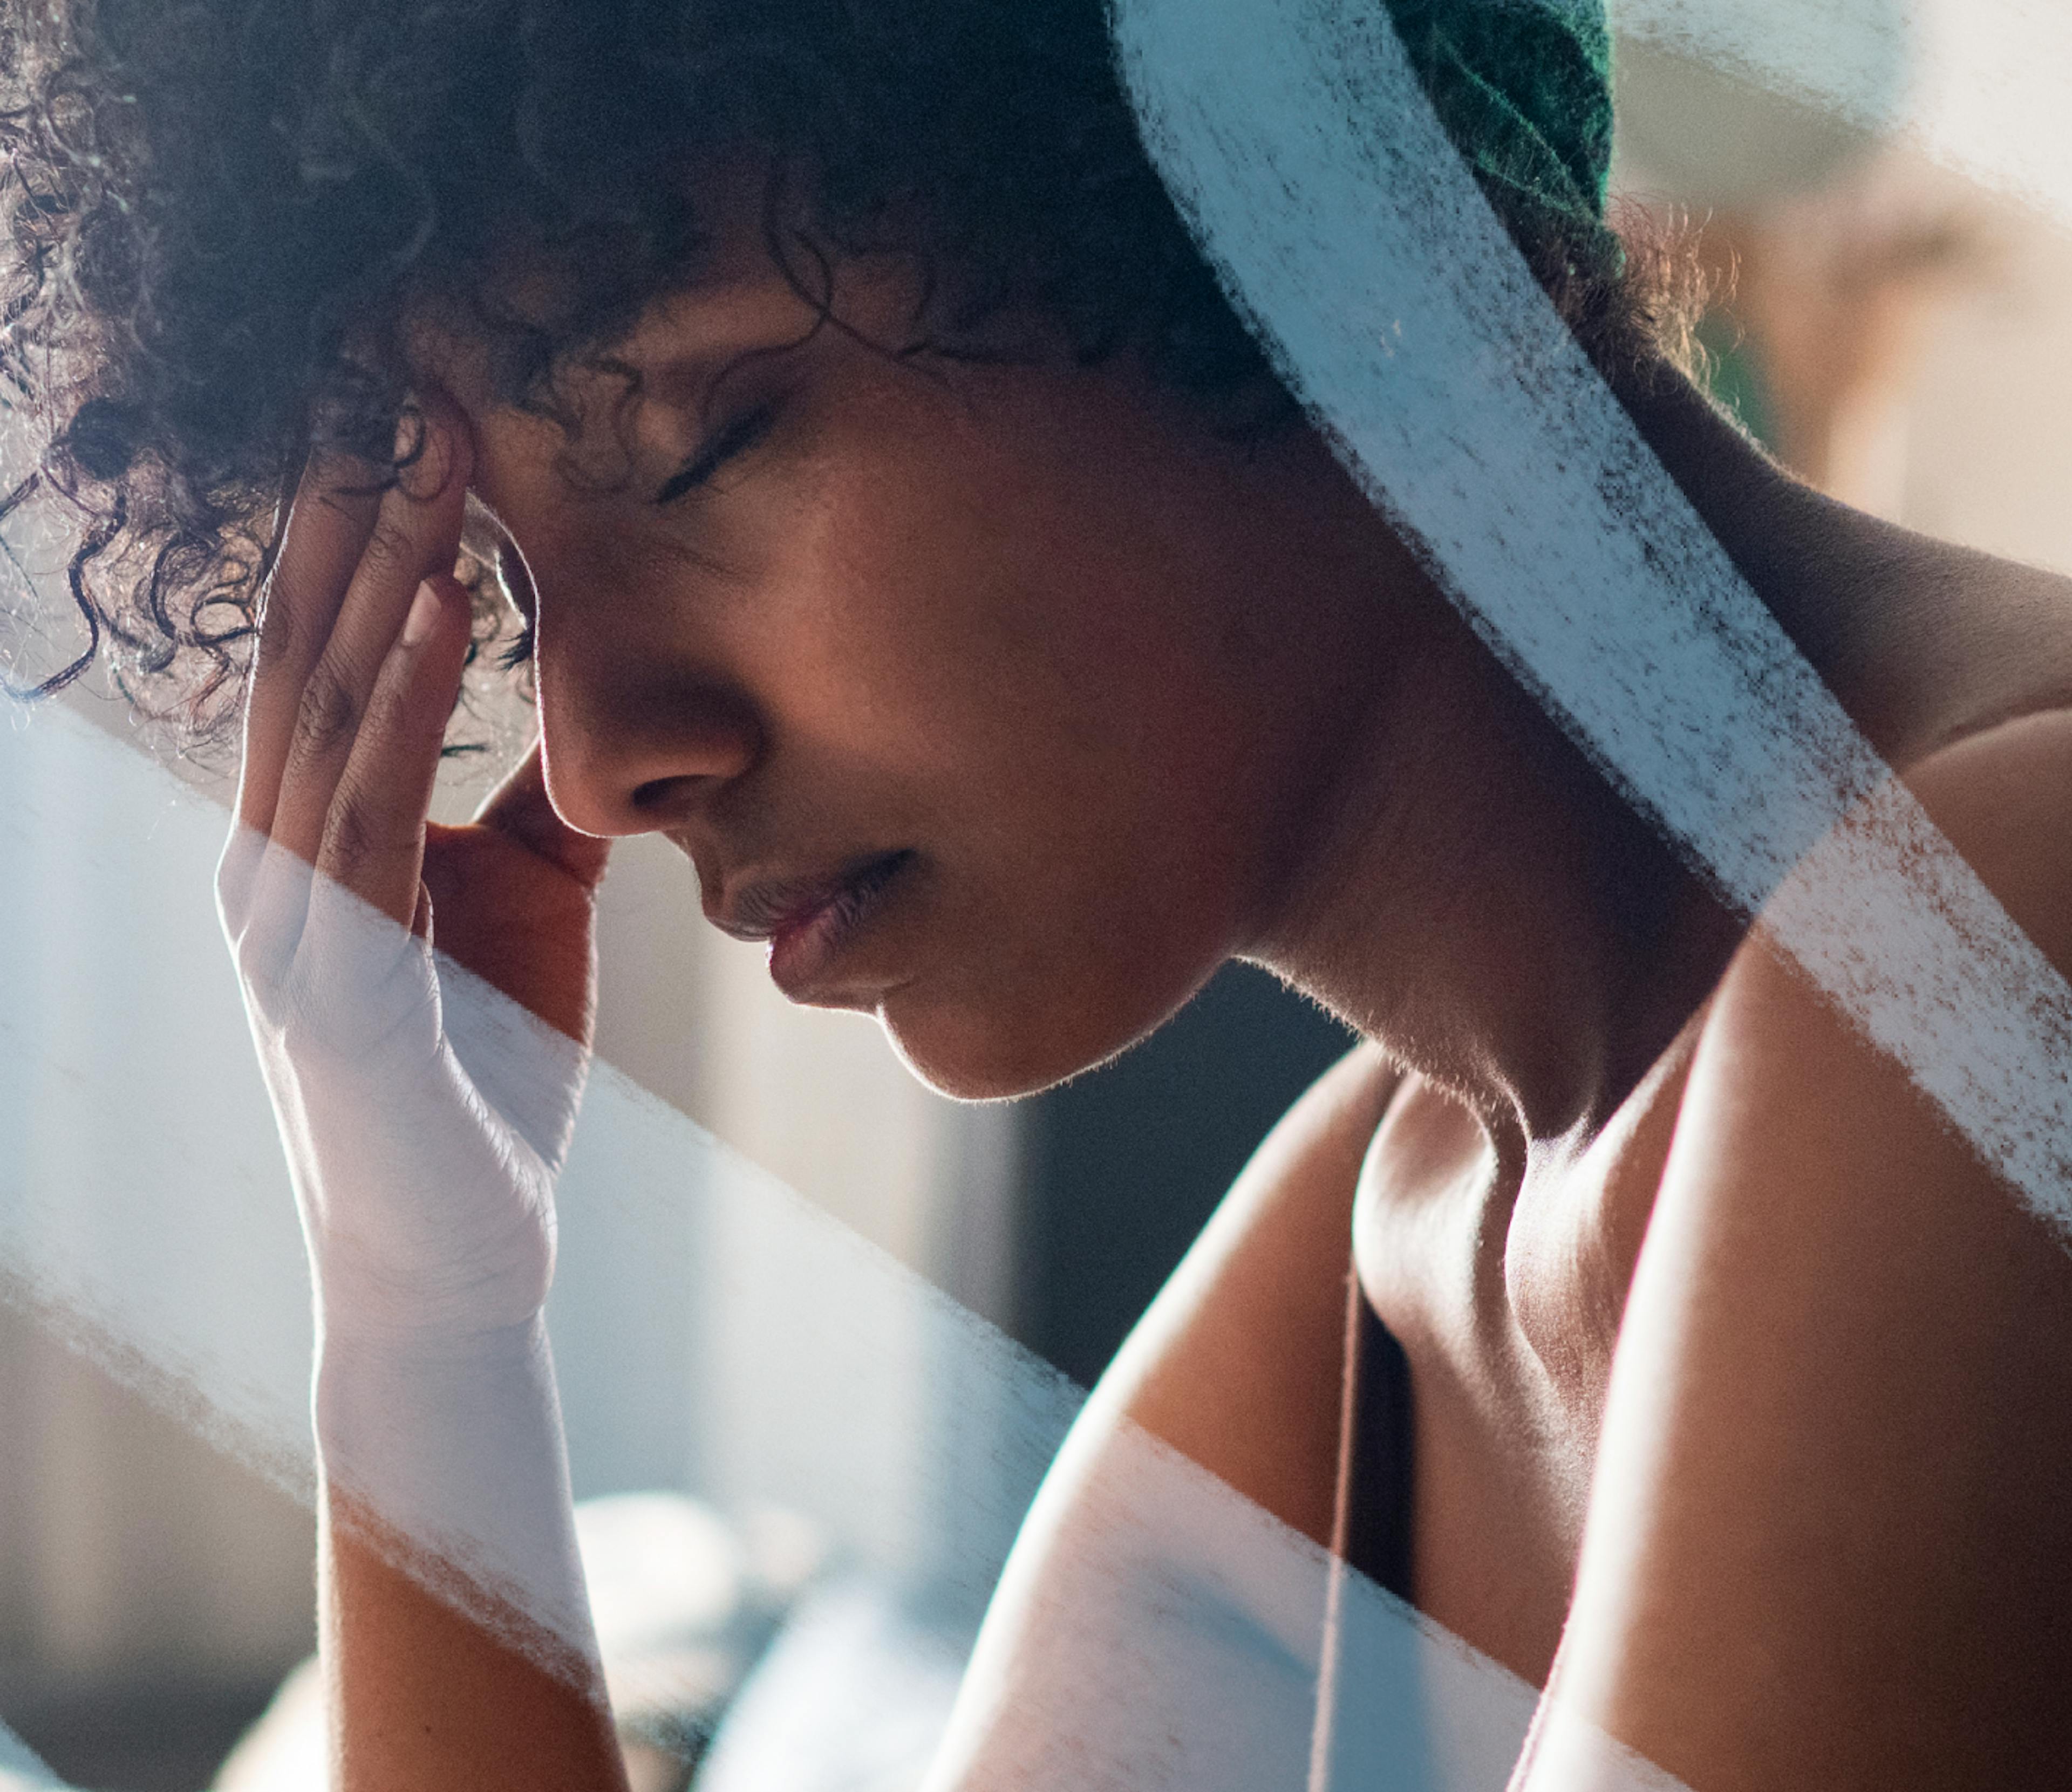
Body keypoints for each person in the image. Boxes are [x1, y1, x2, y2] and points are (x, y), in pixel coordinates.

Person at [7, 2, 2072, 1787]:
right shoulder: (1373, 1266)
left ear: (1300, 218)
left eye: (705, 446)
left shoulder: (1993, 942)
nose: (601, 758)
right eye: (518, 602)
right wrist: (426, 1312)